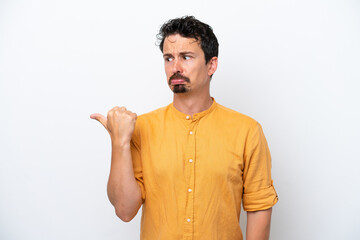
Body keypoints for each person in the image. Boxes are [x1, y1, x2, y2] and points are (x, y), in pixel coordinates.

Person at [90, 16, 278, 240]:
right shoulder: (141, 128)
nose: (175, 67)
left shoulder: (247, 131)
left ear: (211, 65)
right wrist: (119, 142)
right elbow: (125, 210)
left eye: (186, 57)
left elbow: (259, 208)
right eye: (168, 58)